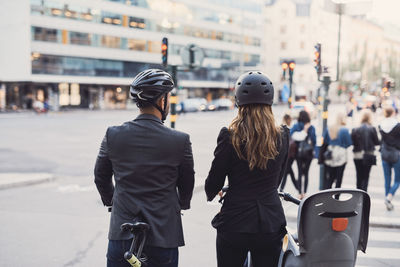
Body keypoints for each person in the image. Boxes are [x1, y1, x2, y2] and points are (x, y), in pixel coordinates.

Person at [94, 69, 195, 267]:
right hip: (163, 236)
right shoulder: (180, 140)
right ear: (162, 100)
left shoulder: (113, 134)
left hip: (122, 234)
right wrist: (183, 203)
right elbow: (187, 183)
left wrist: (111, 202)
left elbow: (100, 176)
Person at [205, 71, 289, 267]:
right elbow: (277, 180)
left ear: (238, 102)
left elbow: (213, 182)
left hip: (235, 222)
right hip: (270, 223)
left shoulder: (229, 136)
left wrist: (214, 190)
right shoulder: (283, 135)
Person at [351, 109, 379, 192]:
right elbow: (377, 142)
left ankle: (358, 194)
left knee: (358, 176)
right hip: (369, 154)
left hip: (357, 155)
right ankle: (364, 196)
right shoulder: (372, 128)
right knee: (366, 176)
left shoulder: (355, 129)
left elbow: (352, 141)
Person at [322, 112, 352, 189]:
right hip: (341, 156)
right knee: (339, 179)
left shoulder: (329, 128)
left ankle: (327, 196)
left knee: (330, 178)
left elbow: (325, 141)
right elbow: (349, 143)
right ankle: (337, 197)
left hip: (330, 155)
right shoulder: (344, 130)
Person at [291, 110, 316, 199]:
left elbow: (291, 136)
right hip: (308, 153)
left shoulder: (296, 126)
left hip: (298, 153)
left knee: (300, 172)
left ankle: (299, 193)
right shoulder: (311, 127)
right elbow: (314, 140)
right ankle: (305, 192)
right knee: (306, 173)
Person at [379, 106, 400, 211]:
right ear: (393, 113)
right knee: (397, 180)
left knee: (387, 179)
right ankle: (389, 198)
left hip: (385, 154)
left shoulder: (381, 125)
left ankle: (387, 199)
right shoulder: (398, 126)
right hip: (396, 155)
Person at [280, 113, 297, 192]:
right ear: (288, 120)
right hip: (289, 154)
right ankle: (281, 189)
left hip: (286, 154)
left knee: (288, 172)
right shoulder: (286, 129)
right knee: (287, 172)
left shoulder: (281, 128)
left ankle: (281, 189)